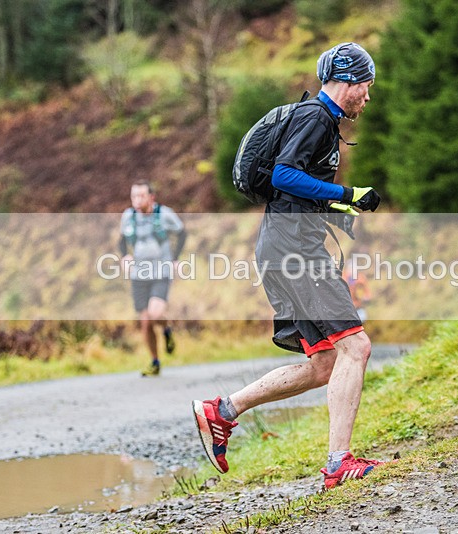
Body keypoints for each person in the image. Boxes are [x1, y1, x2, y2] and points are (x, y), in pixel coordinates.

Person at [192, 42, 386, 489]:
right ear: (349, 81)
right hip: (295, 251)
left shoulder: (319, 120)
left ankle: (221, 412)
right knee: (355, 348)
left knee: (323, 364)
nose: (367, 98)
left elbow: (292, 189)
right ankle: (340, 462)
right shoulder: (317, 117)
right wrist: (346, 194)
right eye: (366, 87)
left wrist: (335, 209)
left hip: (283, 246)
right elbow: (282, 175)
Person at [119, 181, 186, 375]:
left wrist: (175, 259)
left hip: (161, 271)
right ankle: (155, 361)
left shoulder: (164, 214)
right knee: (146, 321)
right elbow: (121, 240)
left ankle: (166, 330)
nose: (137, 200)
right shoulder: (128, 216)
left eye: (141, 196)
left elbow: (181, 234)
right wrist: (125, 256)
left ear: (151, 197)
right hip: (139, 274)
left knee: (156, 314)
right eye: (134, 196)